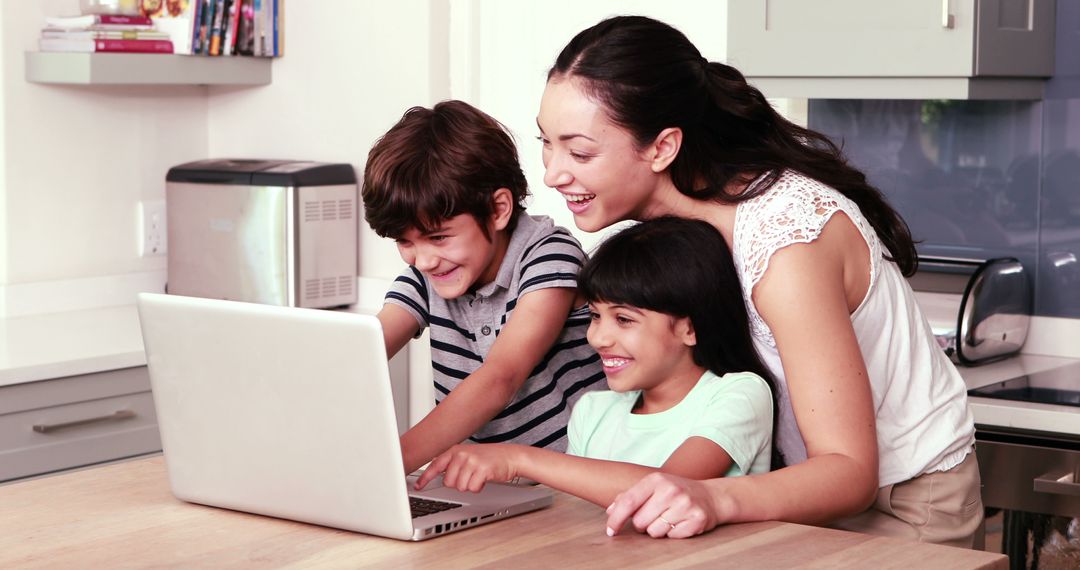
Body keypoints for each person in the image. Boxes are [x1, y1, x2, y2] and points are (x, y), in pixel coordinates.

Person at [536, 15, 981, 546]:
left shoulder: (785, 243)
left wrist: (713, 497)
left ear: (662, 148)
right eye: (547, 143)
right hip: (793, 492)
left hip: (906, 502)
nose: (553, 173)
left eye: (580, 152)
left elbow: (849, 471)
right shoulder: (671, 226)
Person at [415, 217, 781, 517]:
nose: (599, 338)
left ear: (689, 327)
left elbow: (665, 488)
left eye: (623, 320)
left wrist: (517, 458)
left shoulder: (739, 394)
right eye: (594, 316)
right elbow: (576, 520)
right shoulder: (593, 411)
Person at [362, 100, 605, 475]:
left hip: (573, 483)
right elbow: (364, 350)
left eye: (438, 237)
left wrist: (387, 467)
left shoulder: (549, 255)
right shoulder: (429, 275)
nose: (423, 260)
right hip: (487, 487)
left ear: (498, 210)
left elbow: (499, 379)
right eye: (405, 242)